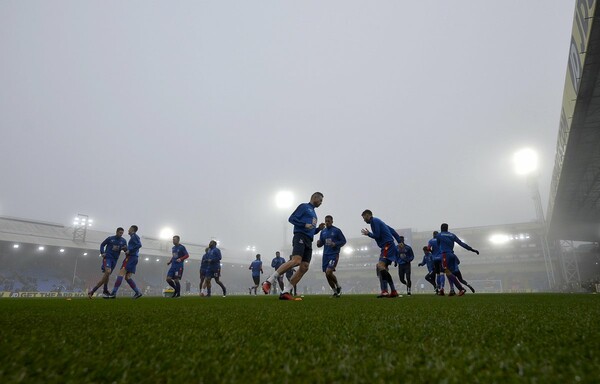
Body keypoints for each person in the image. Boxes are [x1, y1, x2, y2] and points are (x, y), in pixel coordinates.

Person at [262, 192, 325, 300]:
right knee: (296, 261)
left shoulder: (314, 214)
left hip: (308, 241)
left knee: (304, 267)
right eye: (320, 200)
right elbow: (291, 219)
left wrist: (318, 229)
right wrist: (304, 224)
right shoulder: (304, 207)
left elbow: (311, 230)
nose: (321, 203)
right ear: (314, 197)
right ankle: (269, 281)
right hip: (300, 236)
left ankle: (286, 292)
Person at [361, 210, 400, 298]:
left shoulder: (374, 221)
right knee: (381, 268)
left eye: (364, 218)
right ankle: (389, 291)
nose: (364, 220)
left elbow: (377, 235)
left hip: (387, 245)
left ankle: (387, 291)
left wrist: (369, 234)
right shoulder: (378, 221)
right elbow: (392, 230)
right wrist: (399, 241)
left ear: (368, 215)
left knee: (380, 266)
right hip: (387, 246)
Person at [437, 223, 480, 296]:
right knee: (449, 273)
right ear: (447, 228)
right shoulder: (452, 235)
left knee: (447, 272)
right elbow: (461, 244)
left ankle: (461, 289)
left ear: (441, 228)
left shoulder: (439, 235)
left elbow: (438, 244)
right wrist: (472, 249)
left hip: (445, 255)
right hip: (452, 255)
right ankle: (452, 290)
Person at [88, 227, 127, 298]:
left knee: (107, 275)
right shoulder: (110, 238)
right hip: (108, 258)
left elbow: (125, 249)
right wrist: (102, 252)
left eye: (122, 233)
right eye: (120, 233)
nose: (121, 234)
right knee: (108, 272)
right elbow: (102, 244)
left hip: (115, 260)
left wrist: (125, 249)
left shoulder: (123, 241)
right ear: (116, 232)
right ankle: (99, 290)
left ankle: (99, 291)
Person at [107, 225, 143, 299]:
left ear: (132, 229)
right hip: (134, 258)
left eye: (129, 229)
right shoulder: (133, 237)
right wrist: (126, 249)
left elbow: (139, 245)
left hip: (131, 257)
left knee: (121, 274)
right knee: (127, 277)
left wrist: (129, 250)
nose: (128, 230)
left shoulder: (134, 236)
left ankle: (113, 293)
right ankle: (138, 292)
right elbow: (134, 246)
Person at [316, 215, 346, 298]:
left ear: (332, 221)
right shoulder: (323, 232)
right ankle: (335, 292)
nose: (327, 222)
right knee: (327, 274)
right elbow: (321, 243)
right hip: (325, 255)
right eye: (326, 221)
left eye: (329, 221)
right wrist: (318, 243)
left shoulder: (336, 230)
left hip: (333, 254)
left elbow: (343, 241)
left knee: (329, 272)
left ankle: (338, 286)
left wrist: (335, 244)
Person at [428, 231, 445, 295]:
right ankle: (442, 288)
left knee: (437, 274)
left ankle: (438, 288)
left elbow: (428, 248)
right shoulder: (441, 240)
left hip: (435, 259)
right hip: (441, 258)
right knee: (442, 273)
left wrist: (432, 252)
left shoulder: (431, 241)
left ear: (433, 235)